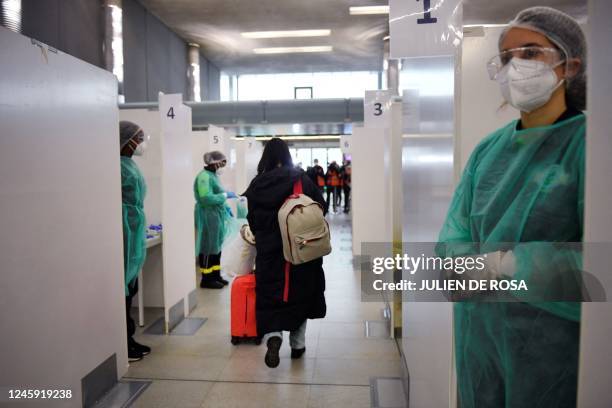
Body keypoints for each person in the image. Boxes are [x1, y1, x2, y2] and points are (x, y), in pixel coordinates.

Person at [436, 7, 586, 408]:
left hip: (552, 346)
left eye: (531, 52)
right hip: (478, 339)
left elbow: (596, 261)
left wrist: (507, 266)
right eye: (506, 57)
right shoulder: (489, 151)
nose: (515, 66)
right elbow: (454, 235)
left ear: (569, 65)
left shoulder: (589, 145)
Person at [244, 138, 327, 368]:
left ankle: (274, 338)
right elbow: (321, 208)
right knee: (300, 295)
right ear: (287, 156)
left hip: (270, 253)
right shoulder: (300, 180)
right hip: (300, 251)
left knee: (271, 295)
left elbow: (252, 220)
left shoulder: (257, 184)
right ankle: (298, 345)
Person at [119, 121, 151, 362]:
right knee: (122, 289)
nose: (141, 143)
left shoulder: (130, 165)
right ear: (126, 140)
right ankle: (122, 343)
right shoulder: (117, 167)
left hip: (134, 226)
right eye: (138, 138)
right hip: (124, 228)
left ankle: (128, 338)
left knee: (131, 287)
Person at [194, 150, 237, 289]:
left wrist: (226, 208)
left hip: (215, 215)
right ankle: (206, 279)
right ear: (214, 163)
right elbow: (205, 198)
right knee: (208, 246)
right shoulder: (203, 177)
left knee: (216, 246)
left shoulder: (212, 176)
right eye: (221, 164)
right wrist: (225, 196)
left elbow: (216, 195)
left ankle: (215, 275)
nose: (222, 167)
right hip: (207, 216)